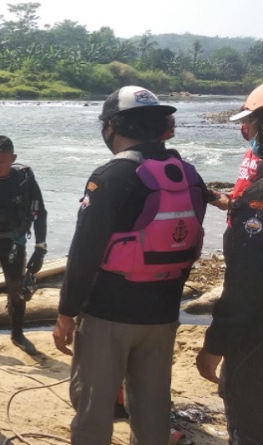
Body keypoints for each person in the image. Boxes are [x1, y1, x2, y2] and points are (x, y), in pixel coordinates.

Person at [52, 86, 211, 445]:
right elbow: (192, 242)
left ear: (111, 127)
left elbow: (83, 253)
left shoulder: (111, 176)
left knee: (93, 408)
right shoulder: (188, 174)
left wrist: (65, 313)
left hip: (109, 314)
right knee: (153, 408)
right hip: (164, 314)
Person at [196, 83, 263, 444]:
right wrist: (231, 203)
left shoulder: (259, 199)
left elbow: (245, 288)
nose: (248, 133)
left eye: (252, 124)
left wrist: (214, 345)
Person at [0, 135, 47, 358]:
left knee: (17, 291)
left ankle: (17, 334)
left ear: (13, 158)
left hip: (15, 244)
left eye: (1, 162)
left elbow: (40, 213)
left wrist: (40, 248)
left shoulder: (24, 180)